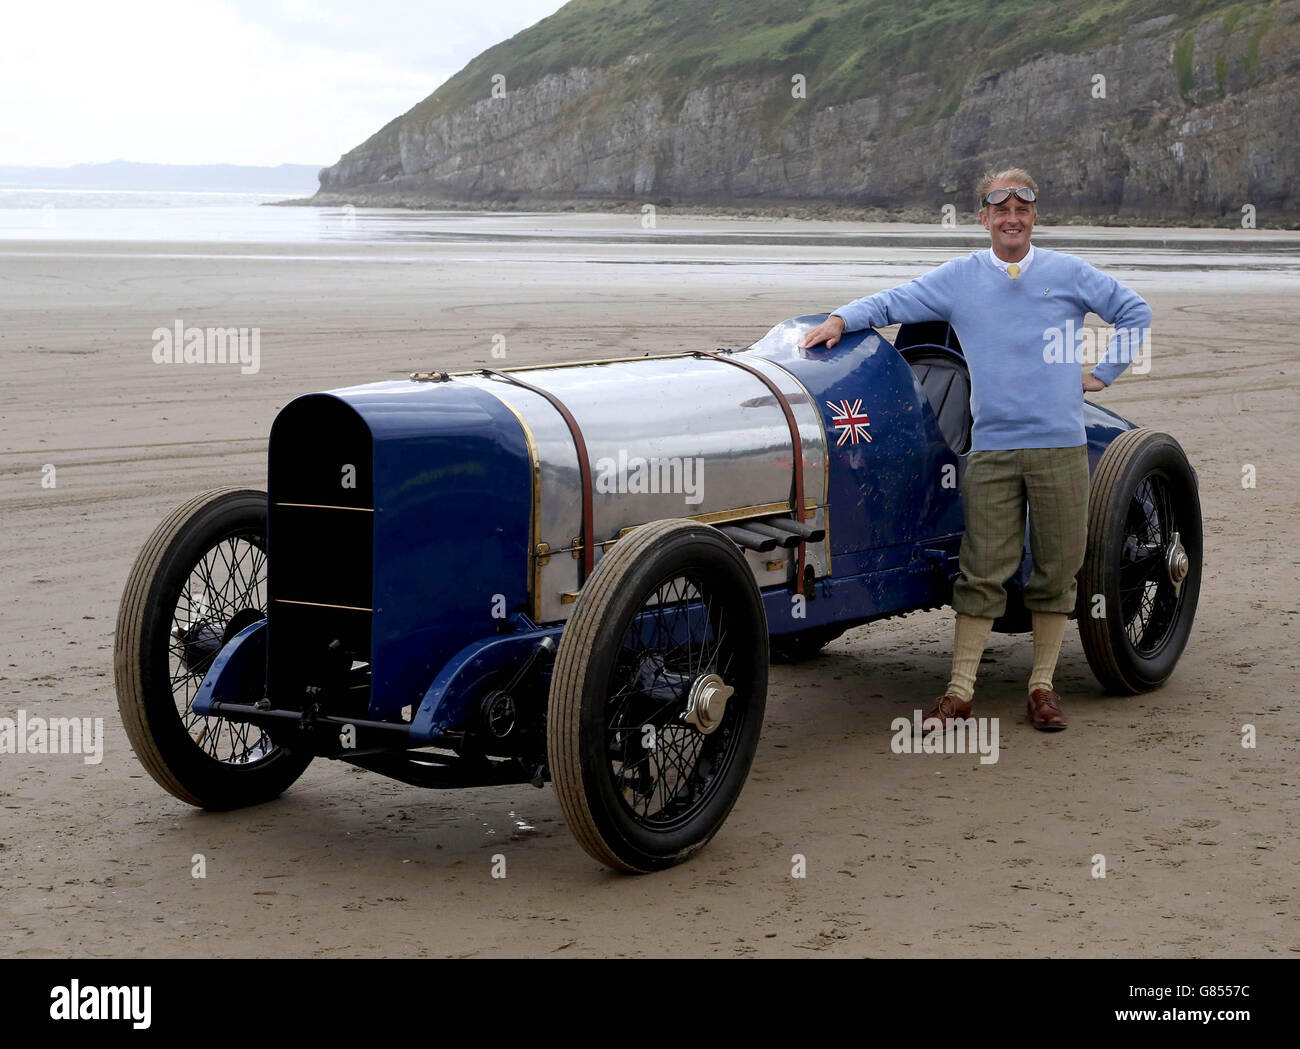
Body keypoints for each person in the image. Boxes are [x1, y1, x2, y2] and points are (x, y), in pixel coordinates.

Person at [798, 168, 1151, 731]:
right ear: (984, 218)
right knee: (983, 568)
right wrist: (842, 318)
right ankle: (960, 690)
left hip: (1060, 446)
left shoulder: (1068, 273)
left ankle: (1041, 687)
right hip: (991, 450)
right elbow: (895, 302)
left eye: (1022, 211)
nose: (1012, 220)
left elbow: (1135, 312)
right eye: (1000, 212)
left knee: (1058, 570)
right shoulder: (960, 278)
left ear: (1034, 217)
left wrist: (1103, 374)